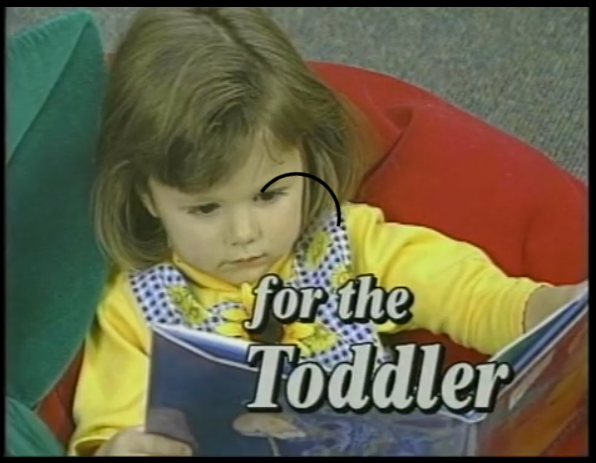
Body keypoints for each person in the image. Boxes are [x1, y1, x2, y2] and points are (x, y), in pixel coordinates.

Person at [69, 7, 586, 456]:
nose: (244, 233)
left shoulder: (344, 242)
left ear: (307, 161)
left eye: (270, 195)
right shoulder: (134, 306)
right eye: (205, 209)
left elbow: (454, 287)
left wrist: (537, 311)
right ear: (146, 197)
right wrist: (119, 445)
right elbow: (114, 418)